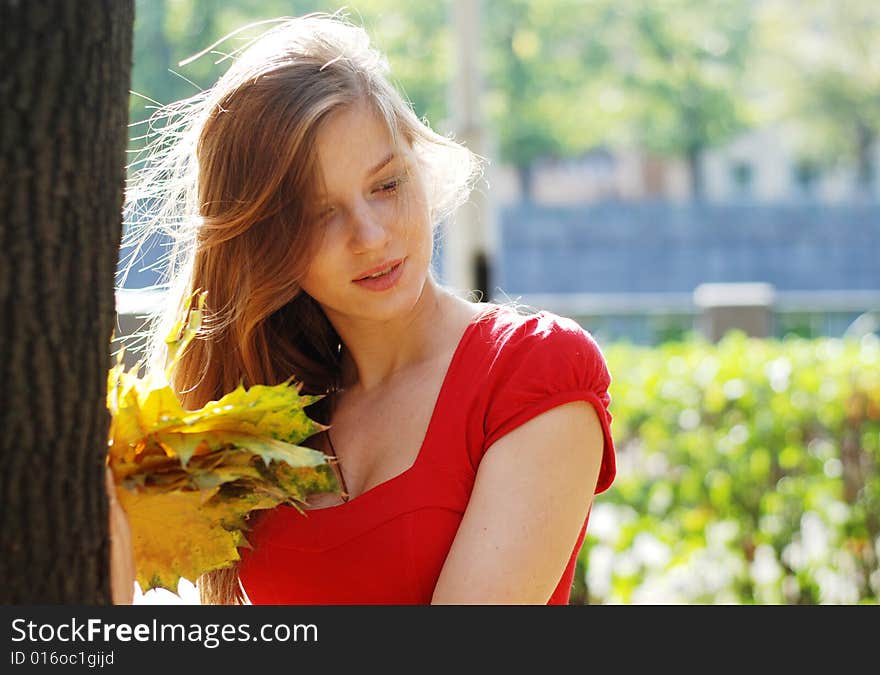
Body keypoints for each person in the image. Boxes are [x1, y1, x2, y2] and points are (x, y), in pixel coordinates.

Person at [111, 12, 616, 605]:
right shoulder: (260, 412)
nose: (371, 236)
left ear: (417, 165)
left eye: (387, 184)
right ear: (261, 240)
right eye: (319, 213)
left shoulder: (533, 371)